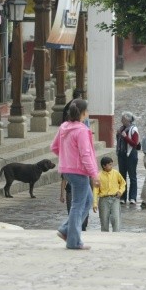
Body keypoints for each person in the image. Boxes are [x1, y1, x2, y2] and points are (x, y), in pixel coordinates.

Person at [51, 98, 99, 250]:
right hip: (79, 171)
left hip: (68, 170)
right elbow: (85, 154)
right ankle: (74, 241)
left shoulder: (64, 127)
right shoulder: (82, 131)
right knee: (78, 205)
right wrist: (94, 174)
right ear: (83, 113)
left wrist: (66, 158)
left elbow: (54, 147)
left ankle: (66, 229)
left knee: (87, 200)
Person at [92, 156, 126, 232]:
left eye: (111, 164)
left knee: (116, 219)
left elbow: (123, 183)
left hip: (115, 199)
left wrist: (120, 191)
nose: (111, 166)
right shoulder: (98, 176)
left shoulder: (116, 173)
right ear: (104, 166)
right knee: (104, 220)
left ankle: (116, 235)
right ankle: (105, 237)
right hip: (104, 200)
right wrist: (95, 203)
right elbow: (95, 190)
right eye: (109, 165)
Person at [116, 111, 140, 205]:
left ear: (128, 120)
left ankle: (132, 197)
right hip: (121, 154)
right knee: (122, 176)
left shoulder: (133, 129)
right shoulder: (121, 128)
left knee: (132, 176)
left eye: (123, 119)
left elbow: (134, 143)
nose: (121, 120)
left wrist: (125, 137)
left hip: (131, 155)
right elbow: (118, 141)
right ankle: (123, 197)